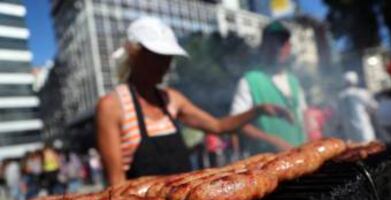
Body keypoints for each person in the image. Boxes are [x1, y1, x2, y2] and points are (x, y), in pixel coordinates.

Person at [96, 17, 291, 185]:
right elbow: (117, 183)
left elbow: (218, 125)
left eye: (167, 57)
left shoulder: (171, 99)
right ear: (134, 53)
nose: (164, 64)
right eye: (156, 56)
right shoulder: (112, 107)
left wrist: (258, 110)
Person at [230, 20, 307, 156]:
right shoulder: (249, 81)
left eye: (282, 42)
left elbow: (303, 118)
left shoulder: (294, 82)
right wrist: (273, 141)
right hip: (268, 164)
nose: (278, 48)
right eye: (273, 43)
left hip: (301, 157)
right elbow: (236, 123)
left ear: (289, 47)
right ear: (263, 47)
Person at [337, 71, 378, 142]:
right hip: (364, 127)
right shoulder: (361, 93)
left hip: (349, 132)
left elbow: (339, 115)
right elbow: (374, 107)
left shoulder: (340, 96)